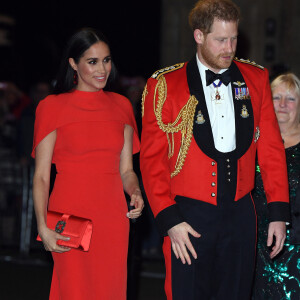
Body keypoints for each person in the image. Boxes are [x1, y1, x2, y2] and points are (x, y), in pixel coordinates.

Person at [140, 0, 290, 299]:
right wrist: (170, 220)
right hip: (188, 217)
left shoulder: (256, 78)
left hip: (241, 216)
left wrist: (277, 213)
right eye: (221, 40)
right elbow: (152, 161)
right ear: (198, 36)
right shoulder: (165, 85)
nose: (229, 47)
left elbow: (271, 149)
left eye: (233, 38)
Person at [32, 28, 144, 299]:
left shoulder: (122, 106)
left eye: (106, 60)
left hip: (113, 217)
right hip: (69, 216)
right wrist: (42, 227)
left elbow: (126, 171)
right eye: (92, 62)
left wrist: (136, 192)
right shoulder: (51, 107)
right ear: (73, 63)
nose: (102, 69)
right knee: (74, 290)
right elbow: (41, 177)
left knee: (110, 290)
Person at [252, 73, 300, 299]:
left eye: (290, 99)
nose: (282, 105)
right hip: (253, 243)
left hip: (295, 246)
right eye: (276, 97)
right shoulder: (252, 139)